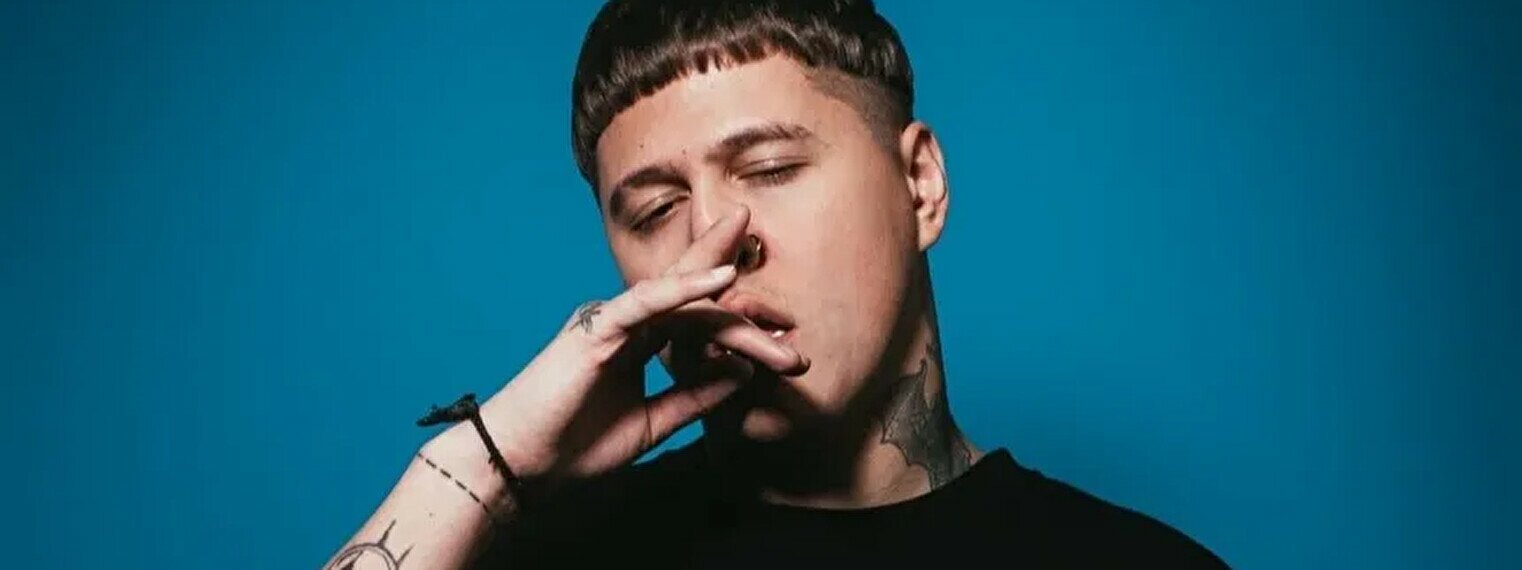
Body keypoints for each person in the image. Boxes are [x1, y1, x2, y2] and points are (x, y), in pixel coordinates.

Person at [325, 0, 1228, 567]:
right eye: (655, 210)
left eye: (769, 170)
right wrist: (486, 464)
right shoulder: (550, 553)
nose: (713, 246)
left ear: (920, 185)